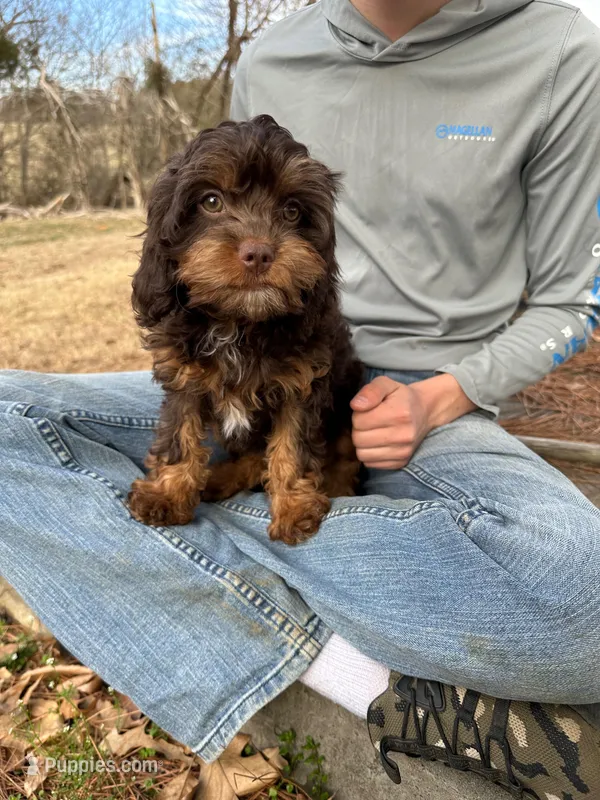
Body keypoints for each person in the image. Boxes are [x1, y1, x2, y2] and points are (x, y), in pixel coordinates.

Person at [2, 0, 600, 796]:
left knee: (581, 591)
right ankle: (355, 673)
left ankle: (193, 550)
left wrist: (447, 395)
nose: (254, 229)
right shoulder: (269, 57)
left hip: (429, 403)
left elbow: (574, 302)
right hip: (240, 347)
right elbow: (206, 235)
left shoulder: (558, 48)